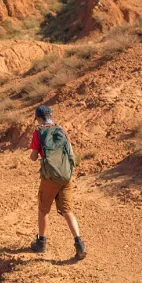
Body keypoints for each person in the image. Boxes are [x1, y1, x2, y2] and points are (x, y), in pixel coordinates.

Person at [29, 105, 87, 261]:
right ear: (51, 116)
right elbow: (70, 152)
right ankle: (79, 243)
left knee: (43, 209)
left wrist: (36, 154)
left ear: (39, 119)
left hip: (50, 178)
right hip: (66, 176)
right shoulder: (61, 129)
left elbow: (34, 156)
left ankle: (41, 243)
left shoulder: (38, 132)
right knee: (67, 210)